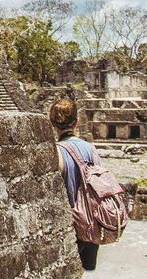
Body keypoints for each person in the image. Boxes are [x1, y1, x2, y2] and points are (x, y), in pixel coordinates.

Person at [50, 98, 101, 271]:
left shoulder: (56, 151)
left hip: (69, 223)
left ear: (52, 123)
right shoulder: (91, 149)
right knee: (86, 270)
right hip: (90, 222)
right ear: (77, 122)